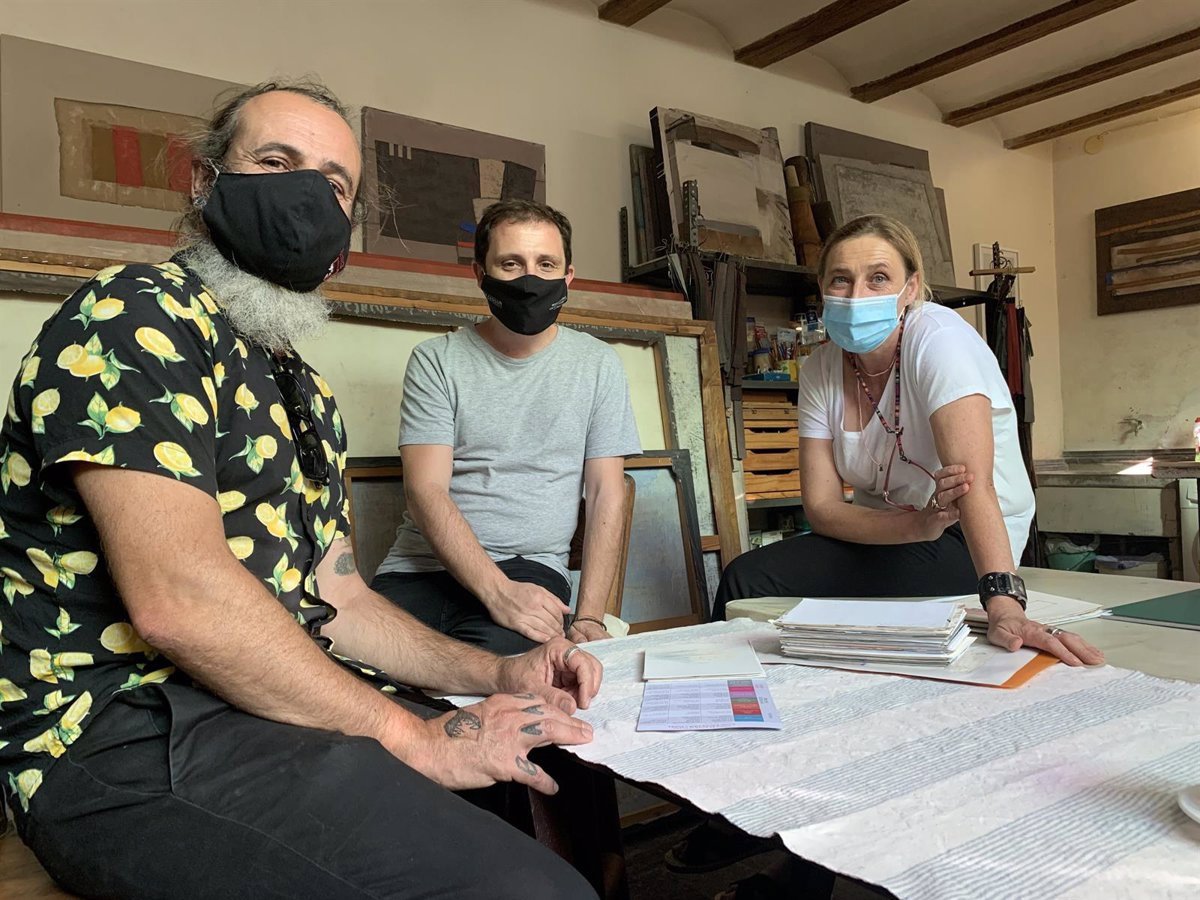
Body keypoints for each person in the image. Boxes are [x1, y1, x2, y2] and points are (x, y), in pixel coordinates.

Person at [0, 79, 602, 900]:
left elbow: (340, 600)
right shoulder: (135, 314)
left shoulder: (302, 388)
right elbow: (180, 602)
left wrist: (497, 674)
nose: (306, 196)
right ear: (205, 181)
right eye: (276, 162)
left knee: (530, 774)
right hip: (120, 732)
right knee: (530, 893)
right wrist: (417, 739)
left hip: (257, 706)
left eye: (334, 184)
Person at [678, 215, 1105, 897]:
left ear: (911, 287)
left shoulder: (940, 340)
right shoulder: (822, 367)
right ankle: (731, 786)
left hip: (971, 537)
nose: (858, 294)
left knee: (813, 610)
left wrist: (1004, 599)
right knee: (746, 579)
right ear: (822, 291)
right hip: (891, 530)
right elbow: (823, 507)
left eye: (878, 277)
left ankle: (779, 837)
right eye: (841, 279)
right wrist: (911, 527)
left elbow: (973, 486)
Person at [370, 199, 642, 655]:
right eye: (511, 264)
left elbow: (605, 494)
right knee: (355, 676)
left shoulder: (598, 365)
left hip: (529, 568)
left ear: (568, 277)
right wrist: (496, 592)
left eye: (545, 264)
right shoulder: (436, 361)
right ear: (480, 274)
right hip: (418, 568)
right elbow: (425, 490)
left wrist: (589, 617)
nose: (529, 279)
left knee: (508, 682)